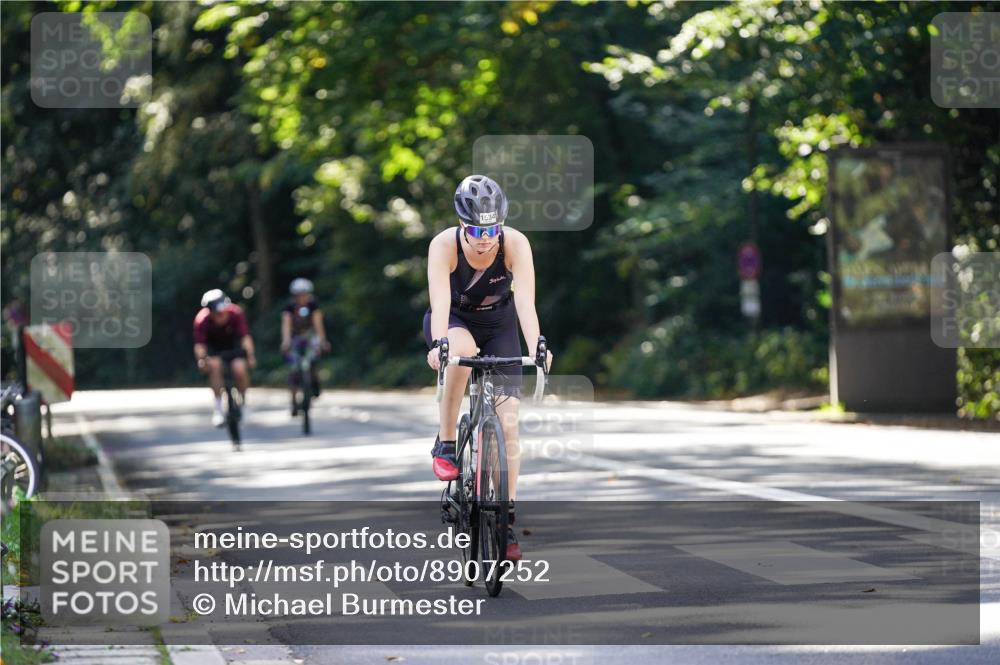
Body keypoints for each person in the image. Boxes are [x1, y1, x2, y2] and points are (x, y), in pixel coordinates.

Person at [423, 174, 552, 561]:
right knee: (461, 349)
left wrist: (538, 345)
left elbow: (525, 302)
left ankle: (505, 518)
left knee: (509, 423)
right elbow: (440, 301)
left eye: (492, 229)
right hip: (455, 319)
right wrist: (440, 344)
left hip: (499, 325)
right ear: (461, 224)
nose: (485, 238)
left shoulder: (515, 244)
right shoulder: (443, 245)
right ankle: (447, 442)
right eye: (477, 230)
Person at [192, 289, 256, 427]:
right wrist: (202, 360)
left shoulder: (235, 313)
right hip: (215, 352)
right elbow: (200, 345)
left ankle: (244, 403)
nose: (221, 315)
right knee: (214, 366)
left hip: (235, 350)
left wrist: (250, 356)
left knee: (239, 369)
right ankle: (219, 408)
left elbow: (245, 338)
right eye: (217, 312)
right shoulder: (202, 320)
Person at [280, 278, 330, 416]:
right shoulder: (289, 306)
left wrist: (322, 340)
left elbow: (318, 324)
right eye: (299, 295)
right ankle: (293, 401)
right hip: (295, 337)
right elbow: (286, 324)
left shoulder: (313, 305)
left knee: (314, 357)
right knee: (293, 369)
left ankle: (314, 383)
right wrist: (286, 341)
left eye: (304, 294)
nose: (302, 298)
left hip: (309, 336)